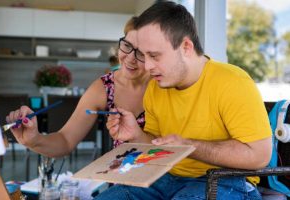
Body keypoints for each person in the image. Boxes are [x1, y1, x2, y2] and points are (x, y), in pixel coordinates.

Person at [101, 2, 272, 200]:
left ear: (186, 47)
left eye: (155, 56)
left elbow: (259, 156)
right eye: (143, 55)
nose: (147, 66)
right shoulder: (155, 88)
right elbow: (159, 146)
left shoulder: (232, 82)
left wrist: (189, 146)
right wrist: (136, 135)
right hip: (168, 177)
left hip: (227, 180)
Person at [6, 16, 150, 157]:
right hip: (122, 177)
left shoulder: (163, 84)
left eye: (141, 52)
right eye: (127, 45)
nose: (130, 58)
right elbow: (66, 141)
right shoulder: (104, 88)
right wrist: (35, 140)